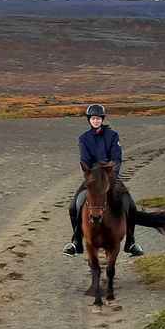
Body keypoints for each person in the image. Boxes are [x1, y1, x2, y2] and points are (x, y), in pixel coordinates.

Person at [64, 103, 144, 257]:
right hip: (93, 178)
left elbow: (117, 158)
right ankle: (76, 241)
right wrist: (92, 176)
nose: (96, 121)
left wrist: (111, 175)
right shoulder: (84, 139)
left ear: (102, 119)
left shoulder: (112, 136)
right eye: (93, 118)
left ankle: (131, 242)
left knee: (130, 205)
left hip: (110, 177)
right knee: (74, 205)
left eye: (98, 118)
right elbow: (85, 161)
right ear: (89, 120)